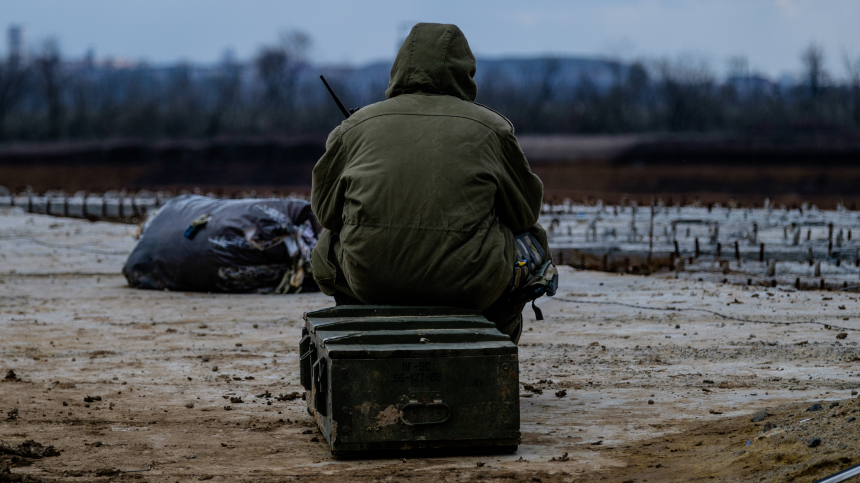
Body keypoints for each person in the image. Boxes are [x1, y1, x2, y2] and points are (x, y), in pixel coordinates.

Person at [311, 22, 556, 343]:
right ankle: (496, 337)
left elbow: (326, 213)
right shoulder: (492, 128)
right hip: (473, 286)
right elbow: (525, 215)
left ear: (398, 68)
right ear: (465, 72)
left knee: (327, 244)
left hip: (370, 281)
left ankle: (365, 324)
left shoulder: (354, 127)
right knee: (533, 240)